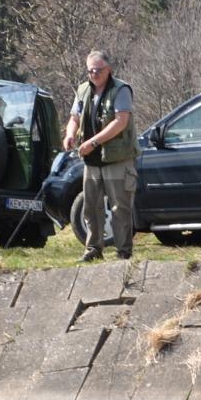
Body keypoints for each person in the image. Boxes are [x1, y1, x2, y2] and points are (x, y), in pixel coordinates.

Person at [64, 48, 137, 262]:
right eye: (90, 71)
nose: (94, 74)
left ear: (109, 69)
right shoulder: (83, 90)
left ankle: (123, 252)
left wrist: (93, 142)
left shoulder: (121, 90)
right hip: (92, 161)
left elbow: (120, 122)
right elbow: (74, 118)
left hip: (117, 159)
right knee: (91, 207)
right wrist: (70, 135)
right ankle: (93, 249)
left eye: (98, 70)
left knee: (119, 208)